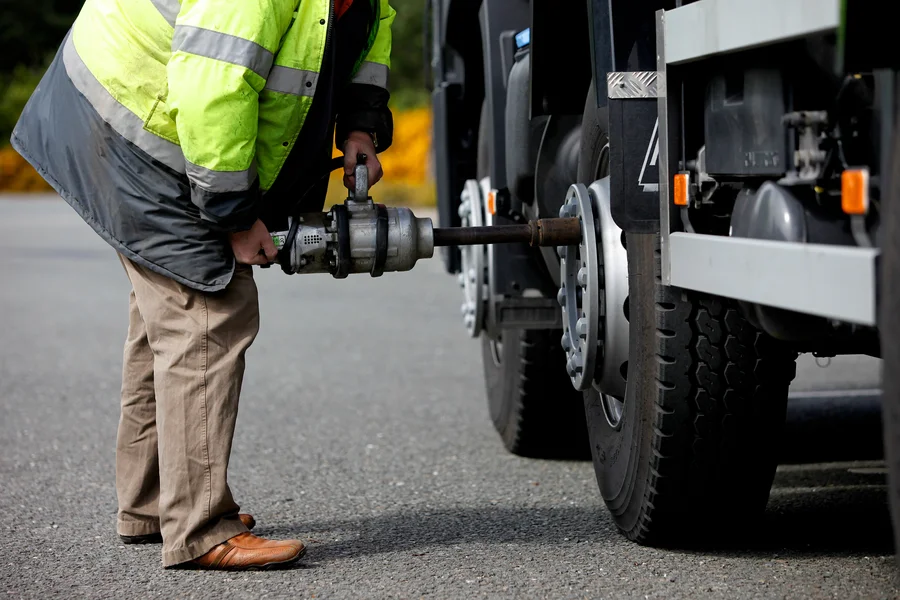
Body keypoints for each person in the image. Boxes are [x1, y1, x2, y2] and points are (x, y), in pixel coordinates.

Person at [11, 0, 394, 570]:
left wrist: (360, 123)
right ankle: (199, 528)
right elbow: (213, 89)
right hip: (132, 131)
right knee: (209, 311)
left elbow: (367, 32)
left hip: (134, 116)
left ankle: (152, 503)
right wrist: (236, 217)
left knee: (163, 317)